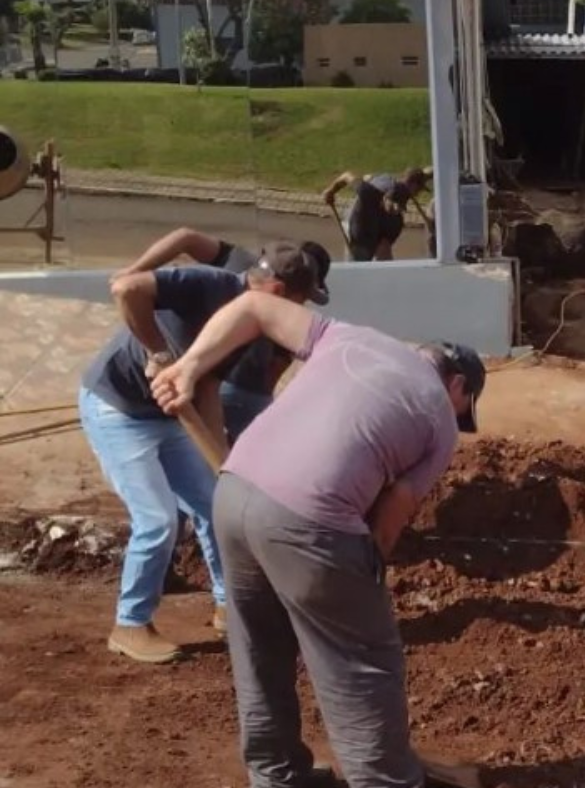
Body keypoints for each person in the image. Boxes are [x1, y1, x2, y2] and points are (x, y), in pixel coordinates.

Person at [149, 292, 485, 788]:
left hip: (234, 494)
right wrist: (359, 579)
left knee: (259, 642)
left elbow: (255, 304)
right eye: (463, 408)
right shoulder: (440, 421)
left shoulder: (348, 335)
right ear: (459, 387)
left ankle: (277, 777)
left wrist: (187, 367)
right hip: (309, 517)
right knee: (362, 658)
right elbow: (387, 524)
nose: (458, 418)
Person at [80, 243, 325, 664]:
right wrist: (157, 353)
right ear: (280, 292)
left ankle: (228, 606)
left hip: (166, 418)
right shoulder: (210, 285)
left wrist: (224, 469)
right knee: (157, 519)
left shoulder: (246, 328)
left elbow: (209, 390)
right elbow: (127, 289)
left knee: (215, 506)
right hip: (117, 409)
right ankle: (130, 623)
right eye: (300, 303)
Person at [111, 228, 335, 440]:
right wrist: (158, 353)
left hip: (204, 383)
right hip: (236, 389)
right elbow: (274, 372)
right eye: (303, 297)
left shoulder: (242, 264)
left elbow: (186, 237)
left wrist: (135, 269)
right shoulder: (277, 309)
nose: (302, 304)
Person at [321, 167, 432, 262]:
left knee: (383, 258)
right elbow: (347, 176)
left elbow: (384, 247)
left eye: (401, 207)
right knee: (358, 259)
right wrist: (331, 190)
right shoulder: (368, 193)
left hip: (374, 226)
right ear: (386, 198)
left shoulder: (396, 221)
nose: (417, 194)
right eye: (418, 189)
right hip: (355, 222)